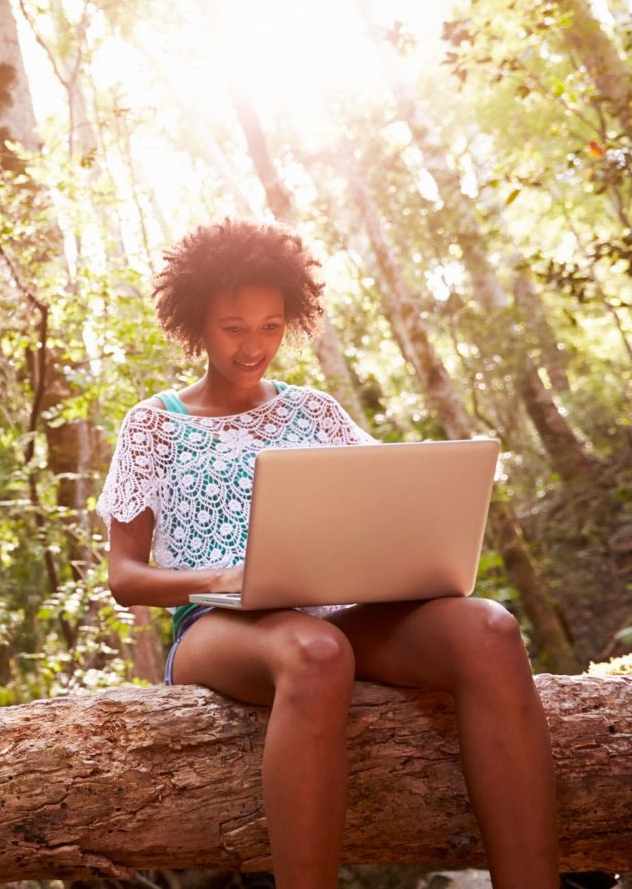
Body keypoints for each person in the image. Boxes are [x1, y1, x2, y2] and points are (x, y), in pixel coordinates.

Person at [95, 219, 559, 889]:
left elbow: (389, 499)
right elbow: (124, 577)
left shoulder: (315, 411)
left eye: (271, 325)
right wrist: (223, 576)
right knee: (315, 653)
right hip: (217, 628)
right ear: (196, 321)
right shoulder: (154, 424)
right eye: (233, 327)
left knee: (487, 629)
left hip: (333, 611)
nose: (253, 345)